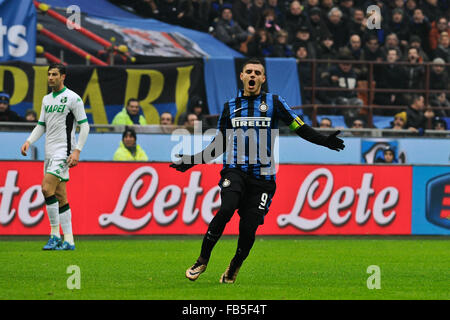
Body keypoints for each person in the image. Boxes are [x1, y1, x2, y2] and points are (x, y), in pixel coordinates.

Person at [170, 58, 345, 284]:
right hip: (235, 171)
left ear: (263, 78)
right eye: (248, 72)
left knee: (248, 228)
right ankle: (202, 259)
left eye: (257, 73)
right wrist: (192, 160)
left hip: (263, 178)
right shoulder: (230, 107)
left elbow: (298, 127)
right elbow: (219, 144)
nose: (252, 76)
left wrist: (324, 141)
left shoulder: (274, 103)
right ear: (242, 76)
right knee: (226, 209)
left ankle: (235, 264)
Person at [20, 63, 90, 251]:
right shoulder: (46, 100)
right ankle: (69, 240)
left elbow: (85, 125)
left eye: (54, 74)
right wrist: (29, 141)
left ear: (63, 76)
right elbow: (41, 125)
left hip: (64, 151)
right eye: (49, 74)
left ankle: (54, 235)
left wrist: (77, 151)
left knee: (46, 188)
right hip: (49, 152)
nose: (50, 77)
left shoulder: (73, 98)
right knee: (60, 196)